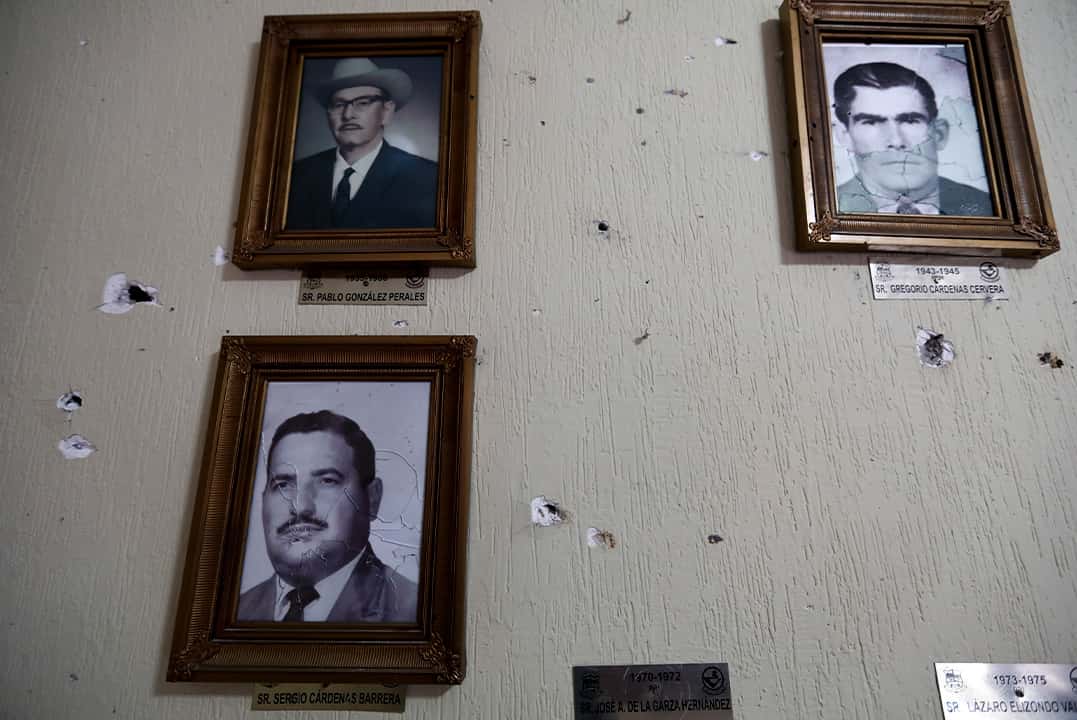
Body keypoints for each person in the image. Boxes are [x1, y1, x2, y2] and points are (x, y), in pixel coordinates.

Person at [237, 410, 418, 623]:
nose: (300, 506)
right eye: (283, 485)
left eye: (327, 481)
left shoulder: (412, 610)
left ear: (372, 498)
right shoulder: (237, 611)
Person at [286, 57, 438, 230]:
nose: (348, 114)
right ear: (328, 113)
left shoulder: (427, 179)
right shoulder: (296, 176)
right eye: (338, 104)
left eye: (363, 103)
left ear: (386, 111)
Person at [832, 61, 993, 216]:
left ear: (939, 134)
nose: (896, 141)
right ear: (844, 136)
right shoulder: (827, 210)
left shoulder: (988, 207)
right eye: (871, 122)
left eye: (910, 121)